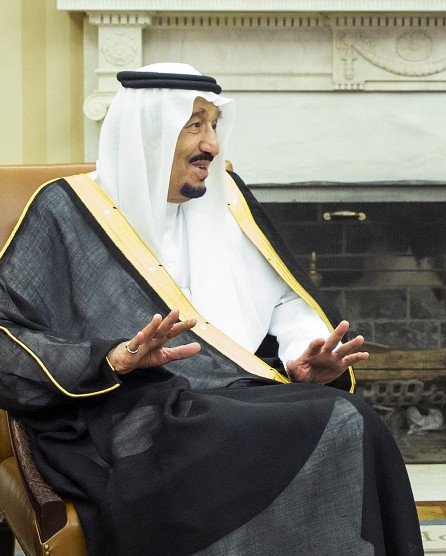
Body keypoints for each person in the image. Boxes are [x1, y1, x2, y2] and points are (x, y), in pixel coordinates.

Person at [0, 62, 423, 555]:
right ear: (151, 132)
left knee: (351, 416)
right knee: (223, 432)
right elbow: (8, 328)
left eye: (215, 125)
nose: (212, 145)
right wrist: (110, 359)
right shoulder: (65, 208)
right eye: (195, 125)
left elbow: (282, 295)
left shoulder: (226, 198)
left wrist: (301, 351)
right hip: (124, 405)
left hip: (235, 388)